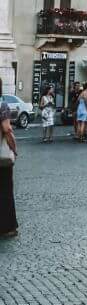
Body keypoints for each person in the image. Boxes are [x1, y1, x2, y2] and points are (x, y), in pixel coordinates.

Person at [0, 98, 17, 238]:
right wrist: (14, 148)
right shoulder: (2, 105)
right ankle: (7, 227)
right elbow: (6, 129)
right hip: (1, 157)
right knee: (5, 190)